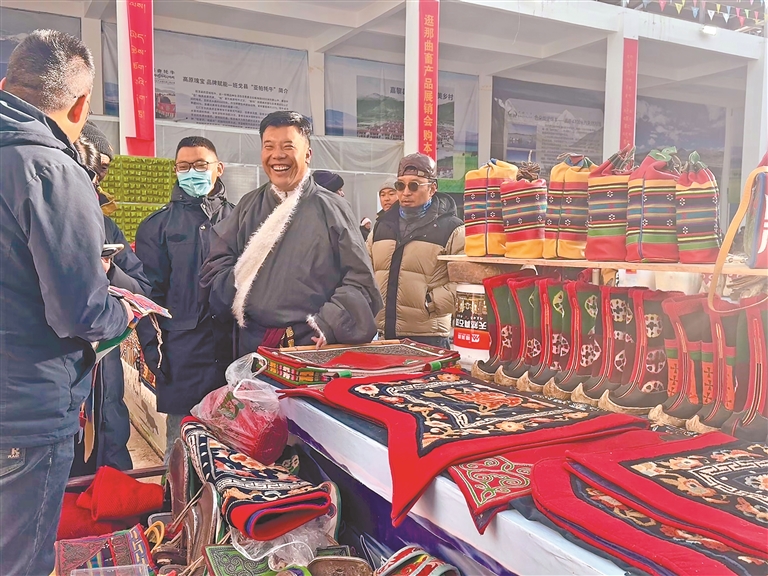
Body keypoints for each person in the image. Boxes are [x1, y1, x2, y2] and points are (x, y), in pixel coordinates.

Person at [0, 30, 133, 575]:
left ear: (5, 85)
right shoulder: (49, 168)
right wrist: (123, 312)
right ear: (80, 107)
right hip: (24, 409)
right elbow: (79, 311)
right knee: (20, 558)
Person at [201, 111, 382, 356]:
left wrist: (328, 323)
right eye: (269, 146)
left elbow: (360, 280)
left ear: (308, 154)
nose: (278, 155)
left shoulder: (332, 208)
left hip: (310, 345)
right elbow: (216, 261)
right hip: (252, 344)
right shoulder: (248, 205)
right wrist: (238, 296)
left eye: (288, 146)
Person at [135, 136, 234, 459]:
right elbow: (147, 295)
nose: (192, 172)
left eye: (200, 165)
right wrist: (153, 350)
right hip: (182, 354)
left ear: (218, 168)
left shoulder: (240, 220)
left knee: (234, 448)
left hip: (233, 351)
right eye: (184, 166)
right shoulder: (157, 226)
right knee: (181, 449)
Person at [71, 125, 150, 473]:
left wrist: (110, 269)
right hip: (52, 371)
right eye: (91, 168)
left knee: (109, 442)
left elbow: (141, 289)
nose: (97, 179)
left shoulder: (107, 228)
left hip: (103, 364)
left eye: (102, 171)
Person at [368, 153, 464, 349]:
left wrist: (430, 303)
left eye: (414, 186)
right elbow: (363, 270)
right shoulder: (381, 227)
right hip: (383, 334)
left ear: (432, 188)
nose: (405, 192)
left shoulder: (452, 229)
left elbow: (463, 282)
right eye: (400, 185)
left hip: (429, 336)